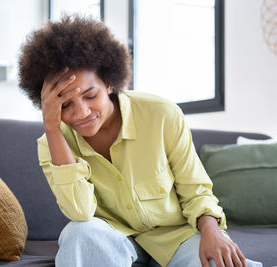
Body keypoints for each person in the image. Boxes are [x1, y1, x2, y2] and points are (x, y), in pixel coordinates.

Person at [17, 15, 262, 267]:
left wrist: (213, 231)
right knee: (79, 233)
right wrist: (51, 127)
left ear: (109, 83)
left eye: (90, 96)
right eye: (65, 104)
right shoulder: (52, 144)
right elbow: (80, 212)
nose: (81, 113)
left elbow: (196, 190)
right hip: (111, 241)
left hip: (176, 238)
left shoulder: (161, 115)